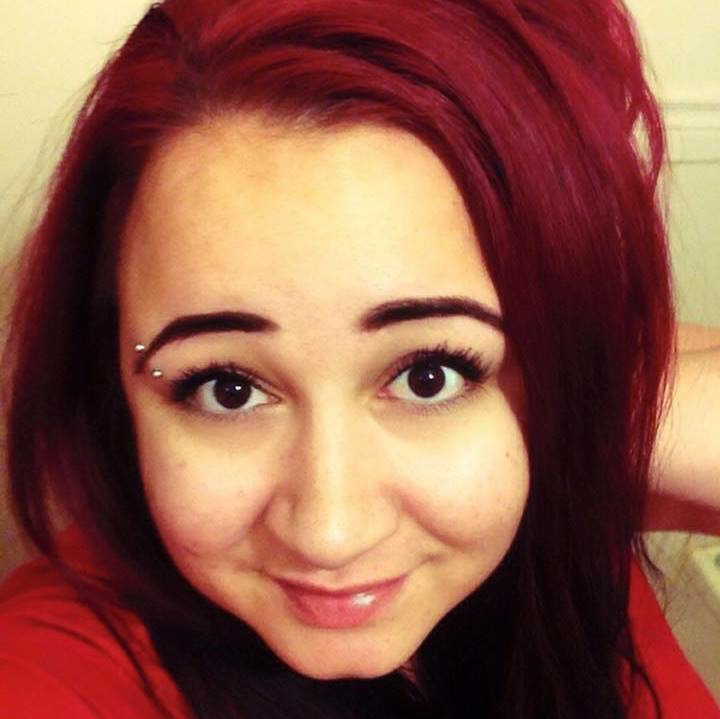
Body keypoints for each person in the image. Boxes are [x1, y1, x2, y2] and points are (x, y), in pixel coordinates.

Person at [0, 0, 718, 717]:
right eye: (226, 388)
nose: (330, 534)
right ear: (114, 377)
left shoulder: (550, 511)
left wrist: (596, 418)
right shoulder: (52, 675)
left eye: (428, 376)